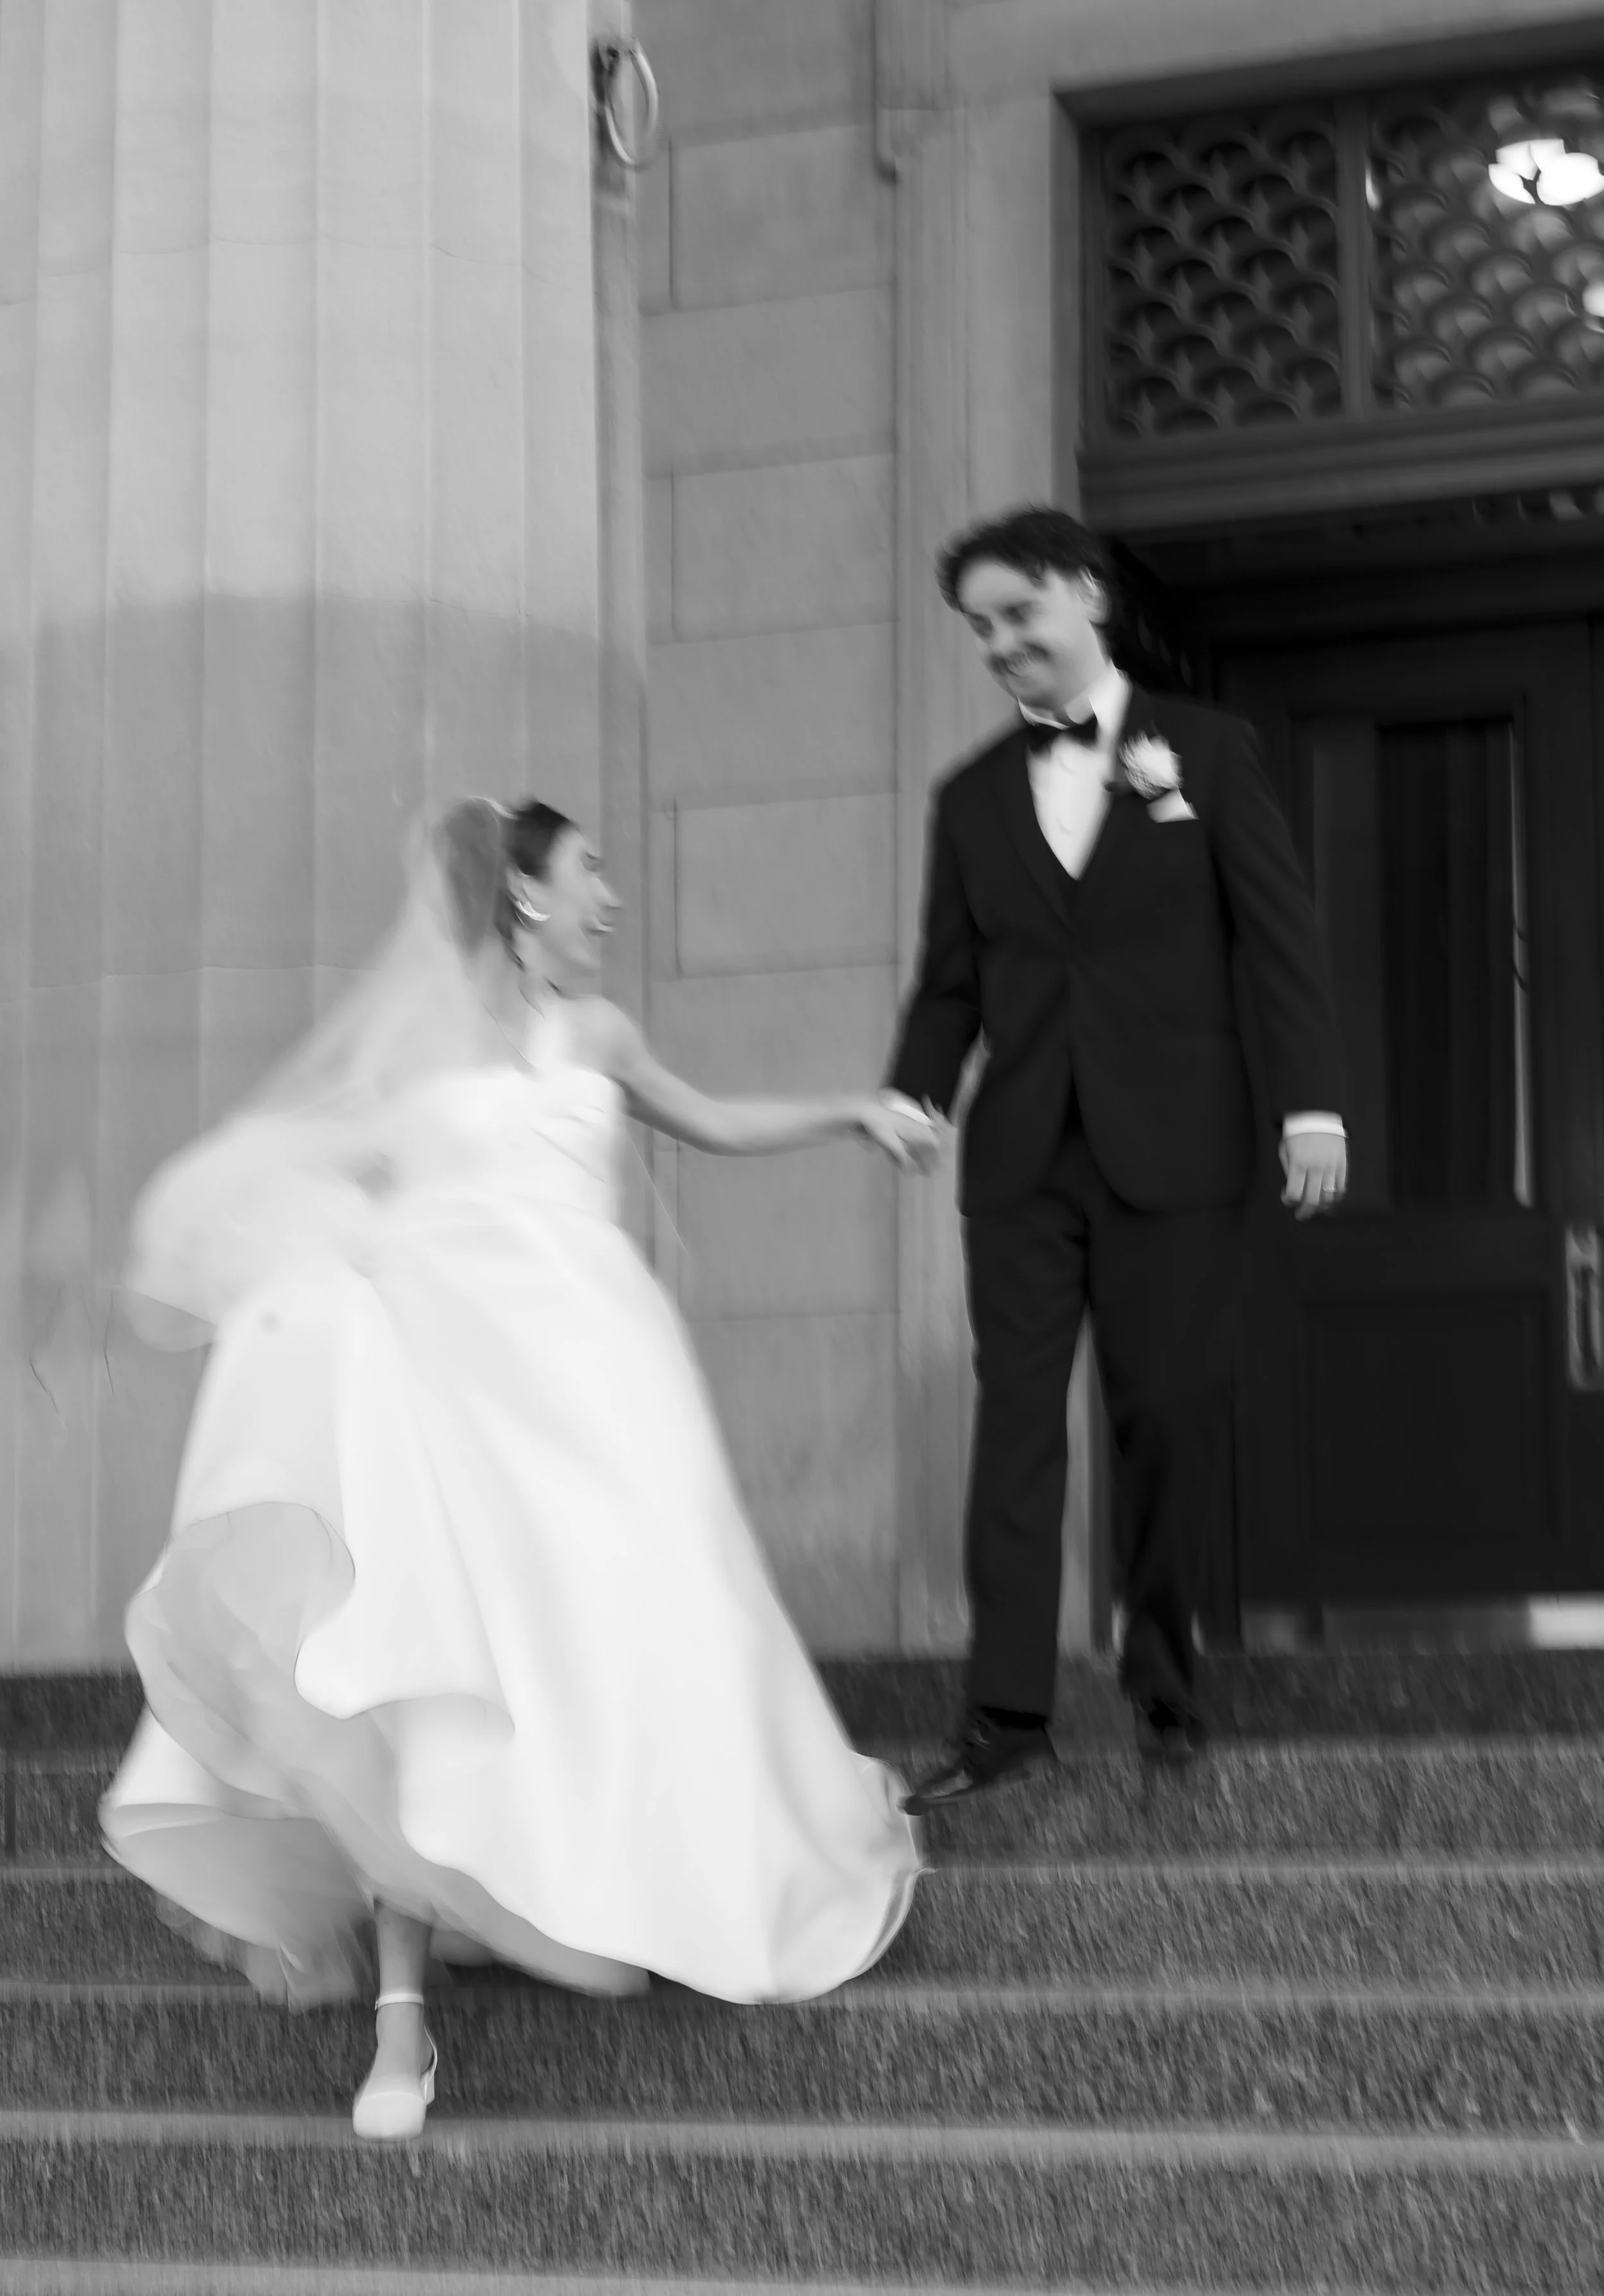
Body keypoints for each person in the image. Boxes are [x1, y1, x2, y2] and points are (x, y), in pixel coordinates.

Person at [101, 796, 925, 2142]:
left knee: (647, 1620)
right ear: (527, 893)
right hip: (456, 1380)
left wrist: (854, 1111)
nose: (607, 896)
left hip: (603, 1376)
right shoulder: (409, 1073)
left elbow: (705, 1120)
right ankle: (402, 2030)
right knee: (423, 1657)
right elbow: (294, 1178)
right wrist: (309, 1286)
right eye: (589, 872)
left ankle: (645, 1872)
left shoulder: (595, 1034)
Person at [882, 506, 1347, 1810]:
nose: (998, 645)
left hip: (1178, 1147)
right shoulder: (967, 797)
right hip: (1021, 1159)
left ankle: (1161, 1675)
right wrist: (913, 1095)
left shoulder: (1202, 748)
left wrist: (1310, 1106)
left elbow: (1278, 938)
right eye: (978, 629)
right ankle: (1005, 1715)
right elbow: (946, 983)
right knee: (1016, 1424)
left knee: (1166, 1418)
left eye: (1016, 614)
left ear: (1083, 594)